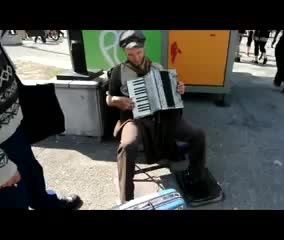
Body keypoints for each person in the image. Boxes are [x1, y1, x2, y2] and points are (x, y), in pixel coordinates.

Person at [106, 30, 224, 204]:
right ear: (124, 52)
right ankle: (128, 200)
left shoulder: (157, 68)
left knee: (198, 135)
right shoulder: (119, 71)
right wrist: (116, 100)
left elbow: (172, 92)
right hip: (134, 118)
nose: (136, 58)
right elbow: (108, 98)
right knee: (128, 145)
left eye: (138, 53)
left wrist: (179, 89)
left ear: (144, 48)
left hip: (163, 117)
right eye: (131, 54)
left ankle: (195, 177)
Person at [0, 31, 82, 209]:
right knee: (13, 195)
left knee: (31, 173)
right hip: (2, 143)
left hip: (13, 125)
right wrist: (2, 167)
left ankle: (45, 203)